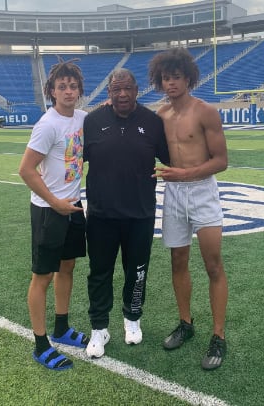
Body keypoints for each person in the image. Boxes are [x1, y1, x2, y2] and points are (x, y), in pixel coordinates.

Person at [149, 47, 228, 370]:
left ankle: (219, 336)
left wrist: (184, 174)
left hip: (202, 192)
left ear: (188, 78)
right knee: (177, 260)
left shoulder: (205, 111)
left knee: (213, 265)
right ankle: (186, 322)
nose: (171, 83)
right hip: (174, 195)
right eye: (166, 78)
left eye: (176, 77)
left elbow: (221, 161)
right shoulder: (160, 116)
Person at [83, 68, 170, 358]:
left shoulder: (153, 122)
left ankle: (132, 319)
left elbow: (171, 160)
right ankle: (99, 328)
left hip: (140, 215)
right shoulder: (92, 122)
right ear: (109, 92)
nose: (122, 94)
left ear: (137, 90)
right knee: (99, 273)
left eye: (128, 88)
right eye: (116, 89)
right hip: (101, 215)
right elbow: (71, 160)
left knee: (138, 271)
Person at [18, 59, 89, 371]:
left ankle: (62, 327)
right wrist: (55, 201)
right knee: (42, 276)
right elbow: (26, 170)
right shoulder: (47, 125)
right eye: (62, 87)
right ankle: (40, 343)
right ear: (52, 91)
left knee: (67, 267)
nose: (68, 91)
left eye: (73, 86)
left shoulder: (84, 119)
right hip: (49, 210)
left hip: (73, 207)